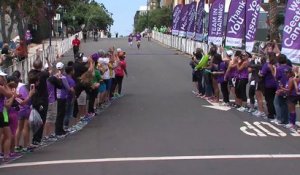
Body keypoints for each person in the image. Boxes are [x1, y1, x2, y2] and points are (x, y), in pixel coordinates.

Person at [28, 59, 50, 146]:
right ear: (41, 66)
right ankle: (37, 139)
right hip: (43, 99)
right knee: (41, 119)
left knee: (34, 119)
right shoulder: (43, 74)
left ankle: (35, 138)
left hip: (34, 98)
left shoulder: (30, 73)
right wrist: (47, 62)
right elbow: (49, 71)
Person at [0, 70, 13, 162]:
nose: (4, 79)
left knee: (7, 134)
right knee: (5, 135)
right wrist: (5, 84)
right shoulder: (1, 87)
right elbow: (9, 94)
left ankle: (5, 155)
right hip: (1, 112)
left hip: (3, 112)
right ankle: (5, 155)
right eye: (2, 77)